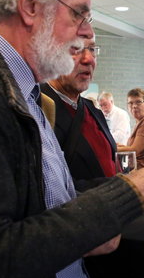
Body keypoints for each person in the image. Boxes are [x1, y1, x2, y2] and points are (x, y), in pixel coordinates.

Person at [0, 0, 144, 278]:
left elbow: (46, 205)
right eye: (78, 13)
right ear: (31, 6)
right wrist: (126, 195)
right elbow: (0, 253)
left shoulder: (28, 94)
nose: (88, 32)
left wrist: (88, 226)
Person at [41, 37, 117, 179]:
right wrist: (122, 188)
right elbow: (50, 187)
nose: (88, 59)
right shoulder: (37, 110)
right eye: (75, 48)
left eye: (92, 49)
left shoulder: (93, 110)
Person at [117, 88, 144, 168]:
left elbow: (134, 150)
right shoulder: (140, 121)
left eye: (138, 102)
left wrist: (110, 148)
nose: (134, 106)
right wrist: (116, 145)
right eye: (130, 103)